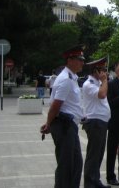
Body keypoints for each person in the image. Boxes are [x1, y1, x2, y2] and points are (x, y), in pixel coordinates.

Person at [40, 45, 85, 188]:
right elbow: (55, 105)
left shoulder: (72, 78)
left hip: (69, 126)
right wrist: (48, 123)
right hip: (64, 125)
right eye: (79, 59)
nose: (82, 63)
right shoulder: (65, 79)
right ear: (70, 60)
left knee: (76, 163)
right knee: (66, 165)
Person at [82, 57, 111, 188]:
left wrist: (103, 81)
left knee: (99, 154)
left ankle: (95, 180)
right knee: (93, 154)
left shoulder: (98, 83)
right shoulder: (89, 84)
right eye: (103, 70)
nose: (105, 72)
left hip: (101, 122)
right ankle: (89, 183)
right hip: (94, 122)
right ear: (96, 71)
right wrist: (104, 80)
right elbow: (102, 95)